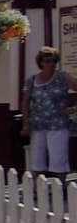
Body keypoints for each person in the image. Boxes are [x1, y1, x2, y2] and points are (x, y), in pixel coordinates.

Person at [22, 47, 75, 178]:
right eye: (47, 61)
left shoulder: (63, 77)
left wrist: (73, 108)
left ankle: (61, 186)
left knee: (58, 156)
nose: (51, 64)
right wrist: (26, 124)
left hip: (58, 124)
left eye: (53, 61)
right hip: (38, 124)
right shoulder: (32, 80)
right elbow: (25, 103)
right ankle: (36, 188)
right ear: (41, 62)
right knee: (37, 158)